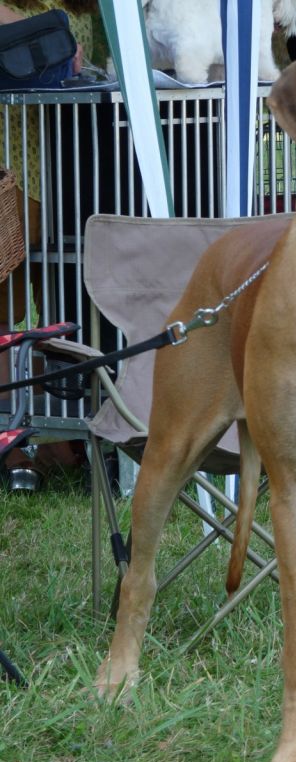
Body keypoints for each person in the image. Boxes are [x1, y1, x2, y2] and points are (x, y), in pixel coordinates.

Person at [0, 1, 106, 490]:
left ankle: (56, 441)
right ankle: (15, 441)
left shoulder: (83, 9)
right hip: (18, 170)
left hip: (66, 169)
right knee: (9, 309)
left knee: (60, 308)